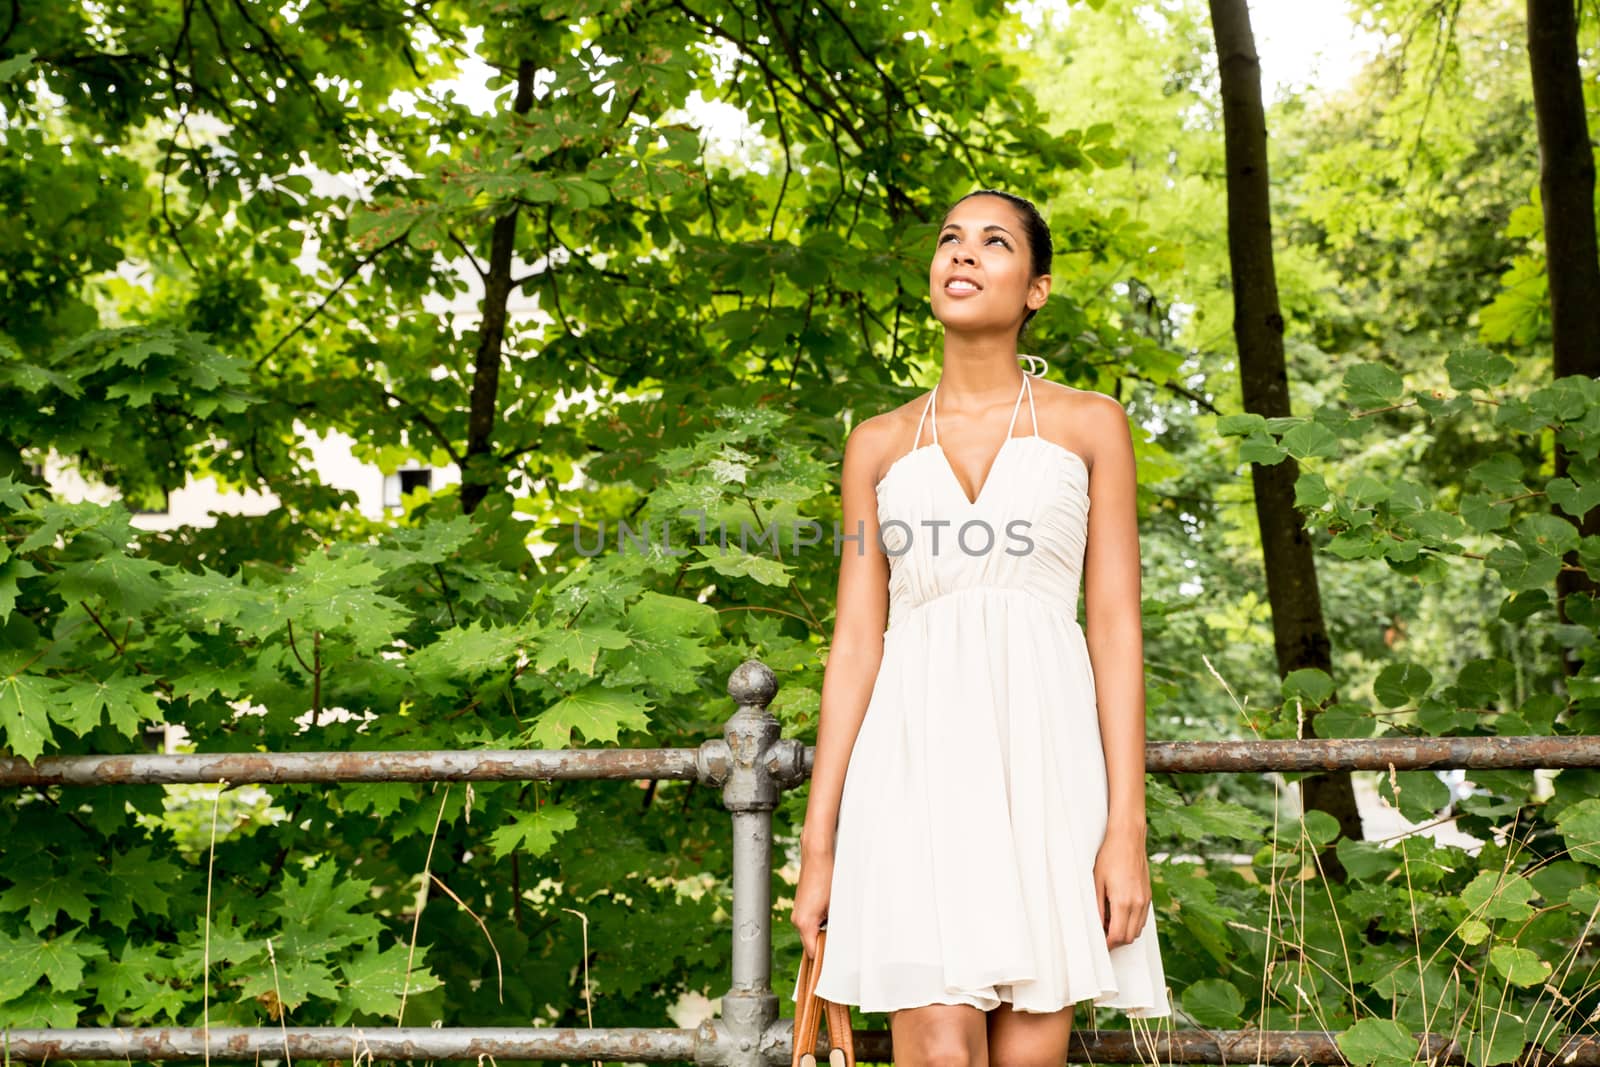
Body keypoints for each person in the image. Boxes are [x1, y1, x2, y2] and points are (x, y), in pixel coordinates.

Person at [788, 188, 1172, 1066]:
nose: (963, 254)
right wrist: (820, 847)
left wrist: (1125, 827)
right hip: (910, 775)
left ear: (1036, 288)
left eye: (994, 243)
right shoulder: (877, 444)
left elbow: (1114, 629)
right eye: (950, 239)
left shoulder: (1091, 425)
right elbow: (855, 644)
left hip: (1043, 775)